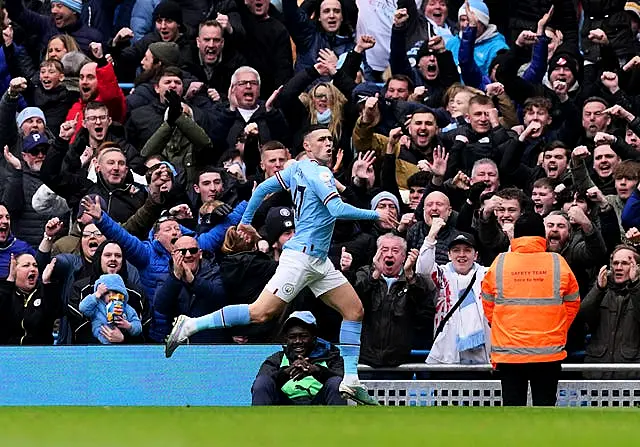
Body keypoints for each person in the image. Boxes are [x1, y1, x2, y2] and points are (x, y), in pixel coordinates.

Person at [165, 124, 399, 406]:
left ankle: (350, 380)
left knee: (354, 310)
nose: (329, 143)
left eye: (330, 139)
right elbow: (336, 210)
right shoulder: (319, 172)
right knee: (260, 313)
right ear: (307, 146)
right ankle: (190, 325)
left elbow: (263, 186)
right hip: (300, 258)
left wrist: (247, 220)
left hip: (318, 260)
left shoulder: (296, 171)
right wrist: (376, 215)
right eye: (321, 139)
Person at [481, 213, 580, 406]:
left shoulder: (500, 263)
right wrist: (557, 328)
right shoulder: (557, 262)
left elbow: (487, 303)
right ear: (542, 236)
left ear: (515, 237)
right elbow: (573, 302)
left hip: (509, 352)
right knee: (545, 410)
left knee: (512, 411)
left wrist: (503, 326)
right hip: (548, 352)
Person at [417, 230, 490, 364]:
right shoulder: (441, 275)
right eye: (456, 250)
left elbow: (508, 270)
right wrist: (431, 236)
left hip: (483, 356)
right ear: (449, 255)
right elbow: (423, 270)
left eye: (467, 250)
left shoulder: (487, 275)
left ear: (476, 255)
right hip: (448, 355)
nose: (461, 255)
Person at [251, 311, 346, 406]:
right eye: (292, 337)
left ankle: (339, 420)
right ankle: (259, 420)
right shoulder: (277, 359)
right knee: (262, 382)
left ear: (314, 337)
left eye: (303, 336)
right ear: (286, 339)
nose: (298, 341)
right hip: (283, 405)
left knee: (336, 382)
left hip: (319, 403)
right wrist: (287, 372)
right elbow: (262, 384)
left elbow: (343, 383)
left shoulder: (331, 357)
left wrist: (317, 371)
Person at [579, 245, 640, 379]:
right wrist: (598, 289)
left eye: (625, 263)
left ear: (636, 267)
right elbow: (583, 315)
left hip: (630, 375)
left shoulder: (637, 292)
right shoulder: (601, 291)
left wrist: (635, 285)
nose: (618, 267)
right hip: (597, 373)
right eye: (615, 263)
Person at [0, 253, 59, 345]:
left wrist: (47, 283)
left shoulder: (46, 291)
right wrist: (10, 280)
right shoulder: (5, 290)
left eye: (35, 266)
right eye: (26, 265)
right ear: (14, 270)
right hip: (7, 352)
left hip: (39, 352)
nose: (32, 269)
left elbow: (54, 312)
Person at [79, 273, 143, 344]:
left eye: (115, 292)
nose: (111, 295)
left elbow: (138, 326)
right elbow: (83, 308)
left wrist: (129, 326)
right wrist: (97, 294)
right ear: (102, 295)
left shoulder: (126, 308)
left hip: (121, 344)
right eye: (106, 293)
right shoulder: (97, 306)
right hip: (99, 342)